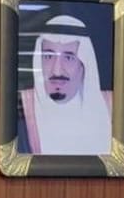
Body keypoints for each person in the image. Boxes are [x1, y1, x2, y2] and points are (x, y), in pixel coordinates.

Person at [14, 14, 112, 155]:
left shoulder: (112, 106)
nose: (57, 70)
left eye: (68, 57)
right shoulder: (20, 107)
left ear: (83, 63)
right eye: (49, 56)